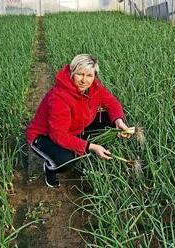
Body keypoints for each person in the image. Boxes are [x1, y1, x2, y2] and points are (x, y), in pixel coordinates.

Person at [26, 54, 131, 188]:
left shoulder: (95, 88)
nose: (84, 80)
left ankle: (89, 153)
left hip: (73, 128)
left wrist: (119, 121)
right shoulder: (59, 97)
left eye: (89, 75)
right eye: (80, 74)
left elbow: (111, 103)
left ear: (94, 76)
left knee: (111, 121)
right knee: (66, 161)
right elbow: (58, 135)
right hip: (45, 136)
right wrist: (90, 147)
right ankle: (50, 168)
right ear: (71, 73)